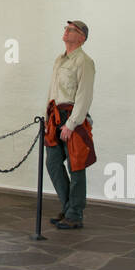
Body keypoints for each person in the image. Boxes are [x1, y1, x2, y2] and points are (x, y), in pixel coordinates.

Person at [43, 20, 95, 229]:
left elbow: (84, 95)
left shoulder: (84, 61)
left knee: (76, 165)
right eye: (66, 28)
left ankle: (75, 213)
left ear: (81, 37)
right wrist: (47, 118)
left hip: (72, 117)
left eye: (72, 30)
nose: (66, 32)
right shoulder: (59, 60)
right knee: (53, 163)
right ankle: (68, 208)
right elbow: (53, 91)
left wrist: (72, 124)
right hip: (55, 116)